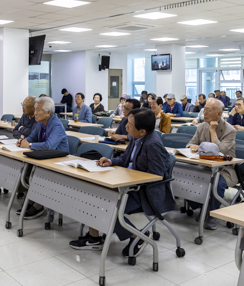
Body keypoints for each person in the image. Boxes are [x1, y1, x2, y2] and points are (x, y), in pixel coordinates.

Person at [70, 107, 174, 255]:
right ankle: (94, 238)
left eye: (129, 124)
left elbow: (156, 175)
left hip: (145, 192)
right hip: (129, 185)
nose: (126, 127)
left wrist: (129, 178)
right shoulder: (136, 138)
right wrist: (111, 162)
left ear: (142, 131)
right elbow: (125, 158)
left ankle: (137, 237)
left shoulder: (152, 144)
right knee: (93, 197)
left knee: (106, 207)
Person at [185, 98, 236, 230]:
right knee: (186, 177)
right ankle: (203, 206)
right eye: (204, 110)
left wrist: (213, 131)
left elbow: (221, 150)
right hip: (204, 166)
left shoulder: (230, 130)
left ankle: (213, 214)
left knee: (216, 183)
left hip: (223, 169)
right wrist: (193, 147)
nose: (204, 113)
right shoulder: (201, 126)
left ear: (219, 114)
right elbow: (190, 144)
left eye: (208, 110)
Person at [17, 97, 70, 219]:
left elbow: (49, 146)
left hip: (58, 162)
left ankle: (38, 205)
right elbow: (32, 137)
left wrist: (29, 145)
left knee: (37, 173)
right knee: (20, 169)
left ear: (48, 113)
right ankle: (31, 200)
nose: (34, 113)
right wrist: (23, 141)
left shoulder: (56, 125)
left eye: (37, 110)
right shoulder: (40, 123)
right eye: (35, 109)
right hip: (44, 158)